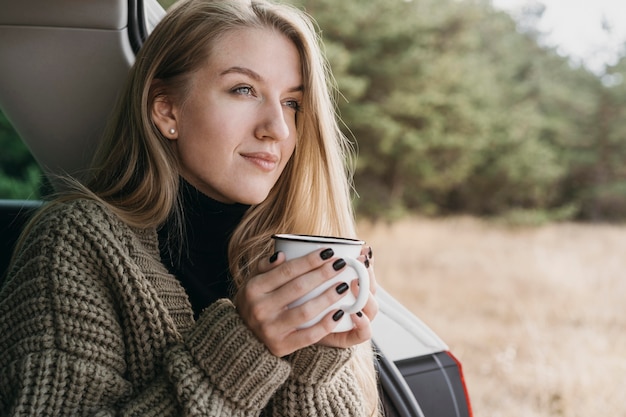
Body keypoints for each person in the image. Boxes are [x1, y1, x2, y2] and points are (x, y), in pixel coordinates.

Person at [0, 0, 381, 416]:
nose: (278, 128)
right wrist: (244, 349)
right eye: (244, 90)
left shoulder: (288, 254)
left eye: (292, 102)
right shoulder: (75, 244)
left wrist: (314, 359)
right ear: (166, 110)